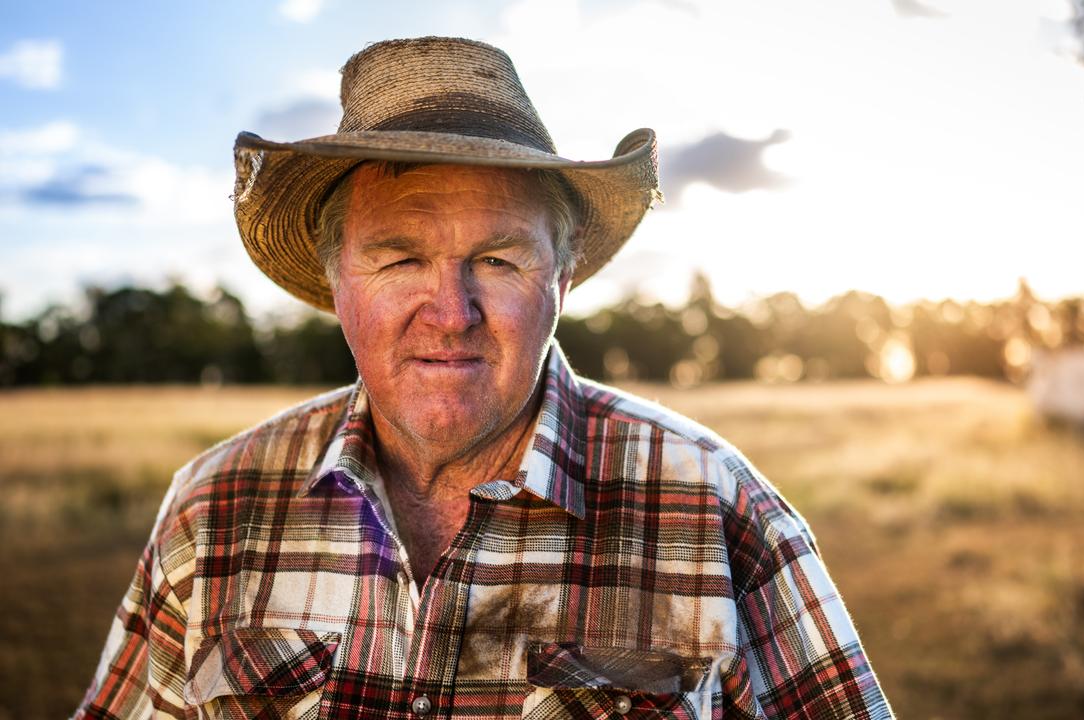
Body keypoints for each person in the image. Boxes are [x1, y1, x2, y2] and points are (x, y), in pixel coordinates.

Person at [75, 37, 893, 720]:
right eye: (399, 258)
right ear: (337, 282)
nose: (451, 310)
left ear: (562, 280)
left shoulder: (716, 507)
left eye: (498, 259)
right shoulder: (214, 507)